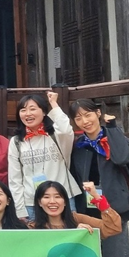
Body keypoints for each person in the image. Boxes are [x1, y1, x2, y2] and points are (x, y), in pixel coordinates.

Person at [70, 99, 129, 257]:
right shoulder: (79, 146)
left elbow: (121, 157)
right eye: (78, 118)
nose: (84, 121)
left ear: (98, 113)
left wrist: (113, 127)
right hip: (88, 213)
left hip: (114, 212)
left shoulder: (114, 137)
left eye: (87, 115)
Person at [8, 91, 79, 221]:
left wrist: (53, 103)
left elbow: (65, 129)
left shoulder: (57, 135)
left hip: (62, 199)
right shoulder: (16, 141)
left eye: (33, 109)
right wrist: (20, 209)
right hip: (31, 203)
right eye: (23, 110)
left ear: (44, 112)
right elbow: (15, 179)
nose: (28, 114)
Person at [30, 182, 122, 254]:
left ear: (65, 202)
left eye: (57, 197)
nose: (52, 201)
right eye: (46, 197)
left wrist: (96, 196)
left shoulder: (77, 219)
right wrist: (74, 234)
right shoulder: (32, 228)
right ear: (39, 202)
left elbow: (113, 227)